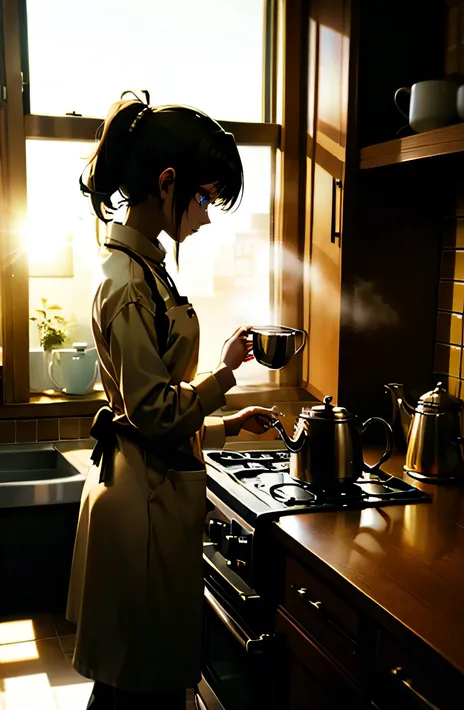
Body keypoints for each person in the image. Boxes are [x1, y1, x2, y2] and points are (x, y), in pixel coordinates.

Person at [65, 92, 278, 710]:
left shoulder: (144, 268)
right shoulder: (130, 282)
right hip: (144, 508)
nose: (207, 216)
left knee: (138, 685)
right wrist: (225, 373)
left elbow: (151, 408)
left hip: (149, 489)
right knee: (139, 694)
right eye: (206, 197)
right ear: (167, 183)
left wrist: (227, 422)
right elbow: (155, 412)